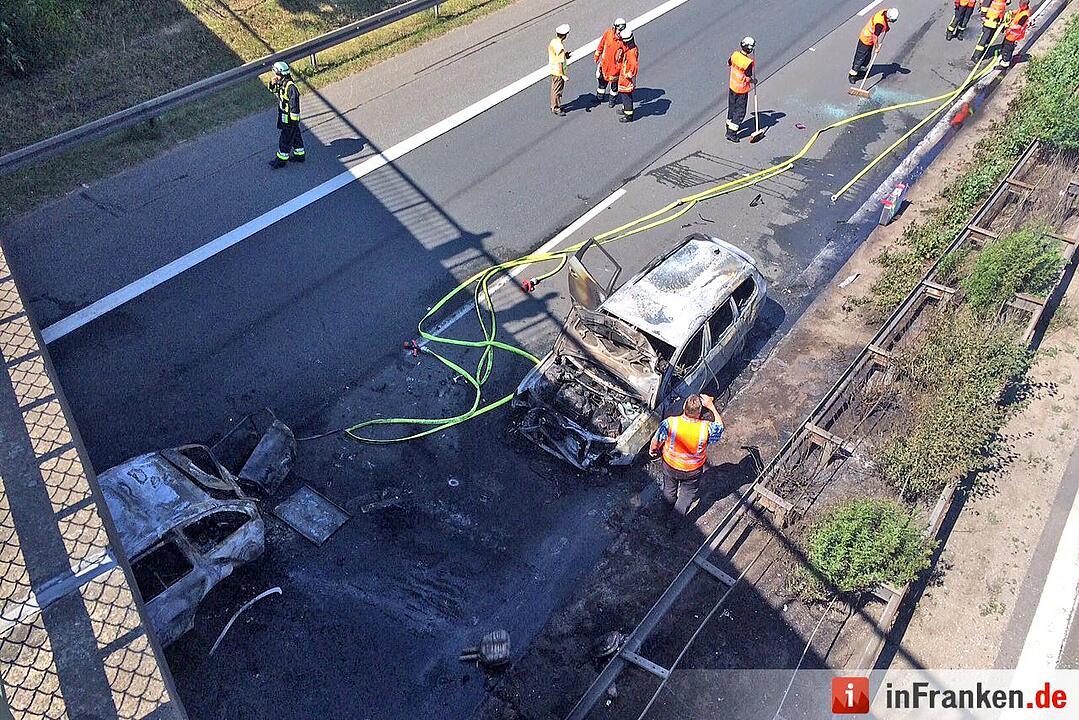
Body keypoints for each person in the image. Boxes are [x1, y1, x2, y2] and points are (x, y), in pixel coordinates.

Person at [649, 394, 725, 518]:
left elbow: (656, 440)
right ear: (700, 412)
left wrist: (653, 450)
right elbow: (720, 427)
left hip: (670, 466)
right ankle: (673, 523)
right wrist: (711, 405)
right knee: (686, 495)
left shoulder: (670, 423)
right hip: (692, 471)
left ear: (684, 406)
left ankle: (664, 513)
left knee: (669, 489)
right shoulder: (705, 428)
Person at [269, 61, 305, 168]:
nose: (275, 76)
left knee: (285, 138)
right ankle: (300, 155)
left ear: (281, 74)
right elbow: (273, 90)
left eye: (276, 74)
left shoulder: (290, 87)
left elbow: (294, 105)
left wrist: (294, 120)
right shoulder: (281, 83)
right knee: (295, 135)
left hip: (289, 118)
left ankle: (281, 160)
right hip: (285, 115)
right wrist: (272, 83)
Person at [850, 7, 898, 83]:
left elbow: (884, 23)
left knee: (867, 56)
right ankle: (852, 74)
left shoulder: (884, 12)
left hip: (870, 40)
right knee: (860, 57)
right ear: (889, 18)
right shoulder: (880, 24)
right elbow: (875, 36)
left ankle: (861, 69)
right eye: (892, 21)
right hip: (866, 38)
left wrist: (887, 27)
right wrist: (877, 47)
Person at [726, 36, 756, 143]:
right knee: (740, 111)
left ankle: (729, 125)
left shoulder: (735, 55)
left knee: (732, 108)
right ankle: (731, 133)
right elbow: (747, 77)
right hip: (741, 90)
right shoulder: (747, 62)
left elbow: (729, 63)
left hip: (732, 87)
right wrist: (753, 81)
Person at [595, 18, 627, 107]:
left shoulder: (625, 40)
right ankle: (599, 98)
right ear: (615, 27)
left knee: (614, 87)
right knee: (601, 83)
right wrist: (597, 54)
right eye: (618, 30)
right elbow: (601, 44)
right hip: (605, 66)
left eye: (621, 30)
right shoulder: (608, 34)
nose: (619, 33)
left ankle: (612, 101)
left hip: (616, 69)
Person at [998, 0, 1031, 67]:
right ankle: (1005, 59)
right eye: (1019, 3)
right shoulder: (1022, 9)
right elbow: (1016, 12)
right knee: (1005, 47)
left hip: (1013, 36)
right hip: (1010, 34)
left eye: (1021, 4)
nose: (1019, 5)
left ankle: (1005, 64)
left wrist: (1008, 26)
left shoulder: (1024, 15)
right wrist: (1011, 12)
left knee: (1007, 49)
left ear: (1025, 5)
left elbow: (1018, 26)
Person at [617, 29, 639, 123]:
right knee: (624, 95)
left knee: (626, 96)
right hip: (624, 76)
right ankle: (625, 108)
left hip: (627, 79)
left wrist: (628, 75)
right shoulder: (631, 49)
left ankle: (629, 115)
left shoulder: (631, 53)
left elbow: (634, 66)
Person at [549, 24, 571, 116]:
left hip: (553, 69)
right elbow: (559, 62)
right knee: (557, 90)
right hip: (558, 72)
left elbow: (555, 56)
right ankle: (556, 108)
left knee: (554, 88)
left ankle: (554, 105)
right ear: (565, 35)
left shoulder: (553, 42)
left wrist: (565, 55)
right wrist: (562, 75)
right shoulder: (560, 47)